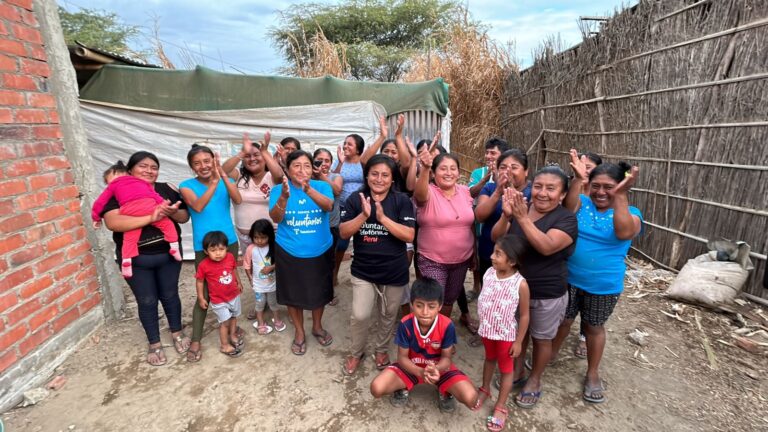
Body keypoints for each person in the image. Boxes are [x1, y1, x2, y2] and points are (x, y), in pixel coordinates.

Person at [550, 150, 642, 404]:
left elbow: (624, 233)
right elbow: (566, 211)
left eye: (609, 187)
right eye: (597, 186)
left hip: (603, 285)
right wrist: (579, 181)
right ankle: (550, 354)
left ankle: (592, 373)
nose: (601, 192)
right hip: (569, 277)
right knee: (564, 320)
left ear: (622, 188)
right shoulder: (583, 202)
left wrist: (620, 196)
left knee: (593, 327)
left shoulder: (632, 213)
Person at [490, 165, 578, 409]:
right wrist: (506, 216)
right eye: (538, 186)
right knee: (519, 334)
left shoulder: (566, 219)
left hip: (546, 292)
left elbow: (547, 246)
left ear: (562, 195)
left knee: (541, 338)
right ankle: (517, 371)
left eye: (551, 188)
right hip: (515, 289)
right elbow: (497, 239)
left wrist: (521, 218)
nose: (542, 193)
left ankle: (535, 379)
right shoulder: (522, 209)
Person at [99, 152, 190, 366]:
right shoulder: (117, 190)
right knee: (147, 300)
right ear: (130, 170)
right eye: (143, 166)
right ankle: (154, 343)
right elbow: (113, 223)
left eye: (154, 167)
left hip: (168, 254)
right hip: (136, 259)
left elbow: (184, 217)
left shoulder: (165, 189)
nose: (149, 170)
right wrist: (151, 217)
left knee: (170, 295)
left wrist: (169, 212)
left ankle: (177, 332)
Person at [339, 155, 415, 375]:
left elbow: (409, 234)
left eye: (385, 175)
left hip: (394, 270)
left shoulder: (401, 201)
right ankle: (356, 352)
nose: (379, 179)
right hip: (363, 270)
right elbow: (344, 232)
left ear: (392, 179)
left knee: (389, 314)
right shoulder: (355, 199)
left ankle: (381, 350)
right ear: (367, 175)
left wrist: (382, 219)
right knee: (360, 315)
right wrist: (364, 216)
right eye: (374, 174)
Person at [369, 278, 478, 413]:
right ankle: (402, 386)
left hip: (438, 370)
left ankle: (446, 390)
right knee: (376, 388)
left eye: (431, 306)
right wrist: (420, 372)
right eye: (419, 305)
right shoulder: (405, 324)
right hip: (411, 367)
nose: (425, 312)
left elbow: (446, 358)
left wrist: (436, 370)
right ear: (412, 304)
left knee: (471, 398)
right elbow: (402, 358)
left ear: (440, 306)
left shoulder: (447, 325)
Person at [180, 144, 243, 363]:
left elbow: (238, 199)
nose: (203, 166)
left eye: (207, 161)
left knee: (229, 285)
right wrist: (214, 182)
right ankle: (196, 338)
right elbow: (197, 207)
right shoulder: (186, 186)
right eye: (197, 163)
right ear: (191, 167)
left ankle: (231, 327)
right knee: (205, 294)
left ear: (213, 161)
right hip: (204, 248)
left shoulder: (225, 180)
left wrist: (223, 176)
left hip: (229, 244)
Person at [269, 150, 335, 355]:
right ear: (287, 170)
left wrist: (308, 190)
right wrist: (283, 197)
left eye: (306, 165)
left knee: (320, 293)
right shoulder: (278, 190)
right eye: (296, 165)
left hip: (320, 250)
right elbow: (276, 218)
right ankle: (299, 332)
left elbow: (328, 206)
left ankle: (317, 326)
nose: (302, 170)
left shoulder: (322, 186)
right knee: (292, 295)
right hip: (289, 251)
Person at [472, 235, 530, 431]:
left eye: (498, 254)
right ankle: (485, 389)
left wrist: (519, 341)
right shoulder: (489, 273)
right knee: (489, 360)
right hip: (487, 330)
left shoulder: (520, 284)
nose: (492, 257)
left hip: (505, 335)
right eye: (493, 252)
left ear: (512, 261)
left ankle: (500, 406)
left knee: (506, 369)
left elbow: (524, 315)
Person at [413, 146, 475, 320]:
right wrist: (425, 167)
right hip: (433, 260)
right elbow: (419, 194)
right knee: (432, 300)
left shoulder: (465, 191)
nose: (448, 173)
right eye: (443, 168)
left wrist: (474, 254)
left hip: (462, 260)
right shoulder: (428, 192)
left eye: (453, 168)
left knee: (449, 300)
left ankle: (440, 336)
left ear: (459, 172)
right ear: (433, 173)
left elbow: (470, 224)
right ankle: (429, 339)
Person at [91, 161, 182, 278]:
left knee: (130, 236)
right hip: (149, 207)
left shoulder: (112, 187)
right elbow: (154, 195)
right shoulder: (141, 182)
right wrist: (164, 204)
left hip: (129, 211)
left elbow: (99, 203)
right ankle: (174, 247)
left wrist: (96, 217)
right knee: (167, 224)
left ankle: (126, 260)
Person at [220, 132, 283, 256]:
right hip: (246, 237)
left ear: (264, 158)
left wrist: (264, 150)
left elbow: (280, 175)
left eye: (256, 155)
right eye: (248, 156)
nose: (252, 159)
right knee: (251, 268)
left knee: (273, 269)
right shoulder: (238, 175)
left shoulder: (271, 176)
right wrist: (241, 153)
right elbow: (224, 170)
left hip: (272, 235)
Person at [475, 150, 531, 286]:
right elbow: (479, 216)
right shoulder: (490, 188)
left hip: (519, 258)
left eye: (514, 167)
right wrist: (498, 192)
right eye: (503, 167)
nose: (508, 171)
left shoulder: (533, 193)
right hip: (490, 254)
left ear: (526, 171)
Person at [571, 151, 602, 358]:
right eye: (581, 165)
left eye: (588, 166)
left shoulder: (603, 195)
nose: (584, 168)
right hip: (571, 265)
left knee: (592, 318)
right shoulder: (575, 191)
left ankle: (584, 338)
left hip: (597, 272)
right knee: (567, 312)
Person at [195, 231, 244, 357]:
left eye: (221, 249)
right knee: (225, 322)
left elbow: (233, 269)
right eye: (213, 250)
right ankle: (224, 345)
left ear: (226, 248)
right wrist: (201, 297)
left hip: (234, 295)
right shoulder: (204, 265)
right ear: (206, 251)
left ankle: (232, 335)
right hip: (219, 300)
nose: (218, 253)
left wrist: (239, 282)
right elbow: (200, 281)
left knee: (233, 317)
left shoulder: (230, 258)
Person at [332, 133, 365, 286]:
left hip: (363, 208)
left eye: (349, 144)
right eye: (345, 143)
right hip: (343, 208)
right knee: (342, 243)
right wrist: (340, 162)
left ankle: (361, 276)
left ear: (358, 149)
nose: (345, 146)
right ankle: (334, 273)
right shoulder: (340, 162)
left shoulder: (363, 163)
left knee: (364, 241)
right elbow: (334, 180)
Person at [243, 219, 286, 335]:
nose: (259, 241)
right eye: (256, 237)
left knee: (273, 302)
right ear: (252, 236)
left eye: (263, 237)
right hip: (258, 285)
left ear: (269, 236)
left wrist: (271, 267)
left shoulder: (273, 247)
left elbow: (281, 262)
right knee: (259, 304)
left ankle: (276, 319)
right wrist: (250, 279)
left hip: (272, 283)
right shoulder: (251, 249)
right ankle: (260, 323)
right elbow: (246, 265)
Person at [312, 148, 344, 306]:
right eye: (319, 160)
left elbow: (337, 190)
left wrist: (321, 175)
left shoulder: (335, 176)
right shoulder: (308, 177)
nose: (323, 163)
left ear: (331, 163)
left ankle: (329, 291)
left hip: (331, 226)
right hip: (312, 226)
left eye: (327, 161)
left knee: (329, 261)